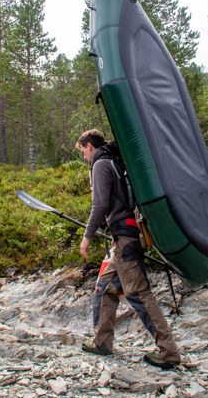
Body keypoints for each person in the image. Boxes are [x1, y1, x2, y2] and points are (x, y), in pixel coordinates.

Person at [75, 129, 181, 370]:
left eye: (83, 152)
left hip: (126, 238)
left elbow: (100, 204)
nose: (83, 157)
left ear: (90, 146)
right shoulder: (116, 161)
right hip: (124, 235)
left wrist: (87, 236)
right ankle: (102, 343)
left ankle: (169, 352)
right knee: (105, 288)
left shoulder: (101, 164)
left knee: (138, 293)